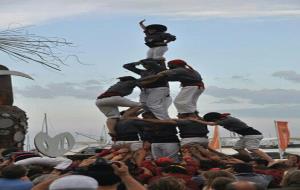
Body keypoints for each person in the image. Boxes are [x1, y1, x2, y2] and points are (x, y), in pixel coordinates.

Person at [194, 112, 274, 165]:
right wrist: (196, 116)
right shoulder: (223, 118)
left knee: (252, 148)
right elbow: (206, 121)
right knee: (238, 148)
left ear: (215, 119)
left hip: (253, 135)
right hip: (246, 135)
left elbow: (211, 124)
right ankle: (250, 159)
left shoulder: (227, 120)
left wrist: (195, 120)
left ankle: (271, 161)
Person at [140, 59, 204, 115]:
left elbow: (159, 75)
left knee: (180, 102)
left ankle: (187, 115)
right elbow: (172, 78)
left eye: (169, 65)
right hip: (198, 87)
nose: (168, 66)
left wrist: (140, 80)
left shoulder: (179, 70)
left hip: (191, 87)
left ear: (175, 65)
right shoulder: (188, 70)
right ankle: (194, 115)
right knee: (190, 103)